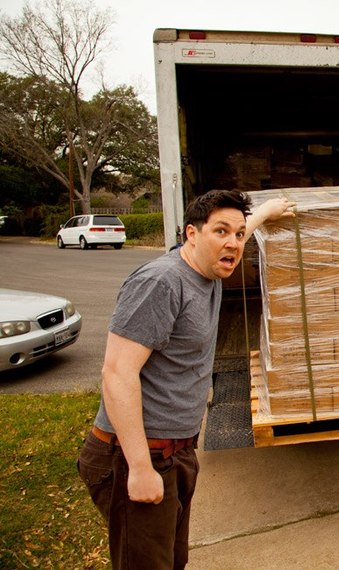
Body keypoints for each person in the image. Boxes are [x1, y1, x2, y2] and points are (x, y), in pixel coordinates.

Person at [77, 189, 294, 569]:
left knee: (173, 561)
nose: (234, 243)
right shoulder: (162, 282)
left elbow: (234, 236)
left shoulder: (210, 268)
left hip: (175, 452)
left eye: (239, 234)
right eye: (221, 231)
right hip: (137, 454)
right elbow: (116, 373)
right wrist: (140, 468)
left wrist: (265, 213)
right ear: (191, 234)